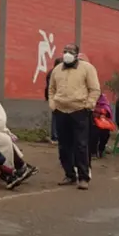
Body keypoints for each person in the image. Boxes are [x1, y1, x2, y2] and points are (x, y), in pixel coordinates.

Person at [48, 44, 100, 190]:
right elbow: (51, 89)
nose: (67, 54)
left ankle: (83, 177)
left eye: (70, 52)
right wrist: (52, 103)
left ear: (77, 54)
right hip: (60, 111)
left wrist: (89, 105)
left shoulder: (87, 68)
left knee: (81, 145)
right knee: (64, 146)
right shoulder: (57, 70)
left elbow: (94, 89)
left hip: (79, 111)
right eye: (65, 51)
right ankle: (69, 174)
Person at [89, 92, 114, 160]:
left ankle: (101, 150)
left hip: (103, 123)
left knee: (106, 133)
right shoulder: (90, 102)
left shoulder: (104, 102)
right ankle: (93, 152)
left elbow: (109, 112)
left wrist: (104, 115)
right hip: (92, 122)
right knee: (94, 133)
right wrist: (98, 114)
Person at [45, 58, 63, 144]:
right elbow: (52, 87)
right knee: (56, 117)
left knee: (57, 117)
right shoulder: (55, 73)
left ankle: (56, 136)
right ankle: (55, 137)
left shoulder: (52, 72)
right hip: (57, 98)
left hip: (55, 97)